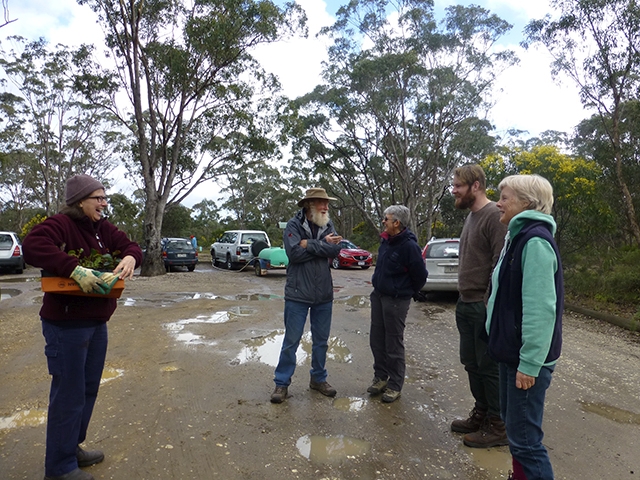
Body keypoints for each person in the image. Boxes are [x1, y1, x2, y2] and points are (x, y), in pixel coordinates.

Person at [23, 174, 143, 480]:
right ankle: (60, 468)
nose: (104, 204)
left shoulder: (103, 229)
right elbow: (33, 245)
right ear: (80, 201)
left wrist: (130, 257)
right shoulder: (60, 224)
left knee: (87, 390)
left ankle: (70, 447)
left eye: (105, 198)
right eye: (98, 198)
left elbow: (130, 244)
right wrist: (73, 268)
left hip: (96, 321)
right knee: (69, 393)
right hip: (65, 324)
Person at [486, 174, 563, 480]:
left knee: (526, 440)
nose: (498, 203)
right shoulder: (517, 237)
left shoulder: (535, 242)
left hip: (526, 361)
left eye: (504, 198)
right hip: (511, 353)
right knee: (516, 431)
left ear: (527, 203)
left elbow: (541, 309)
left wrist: (530, 364)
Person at [450, 164, 508, 448]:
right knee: (471, 363)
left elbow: (499, 265)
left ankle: (498, 425)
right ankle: (481, 413)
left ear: (475, 186)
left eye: (458, 185)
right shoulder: (472, 217)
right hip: (466, 303)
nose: (454, 190)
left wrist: (488, 305)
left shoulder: (494, 217)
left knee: (489, 367)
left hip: (482, 307)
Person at [270, 188, 343, 403]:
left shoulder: (328, 224)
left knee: (321, 341)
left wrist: (308, 244)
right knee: (291, 341)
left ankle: (318, 379)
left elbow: (335, 251)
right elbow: (294, 254)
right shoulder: (293, 225)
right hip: (297, 294)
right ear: (309, 205)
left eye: (326, 203)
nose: (326, 207)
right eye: (322, 203)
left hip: (323, 295)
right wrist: (322, 245)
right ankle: (281, 384)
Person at [367, 205, 427, 403]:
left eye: (386, 218)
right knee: (377, 339)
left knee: (393, 343)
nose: (383, 221)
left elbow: (420, 275)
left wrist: (406, 291)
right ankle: (381, 378)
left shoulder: (409, 246)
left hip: (396, 300)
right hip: (379, 296)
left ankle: (394, 385)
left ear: (397, 223)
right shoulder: (386, 241)